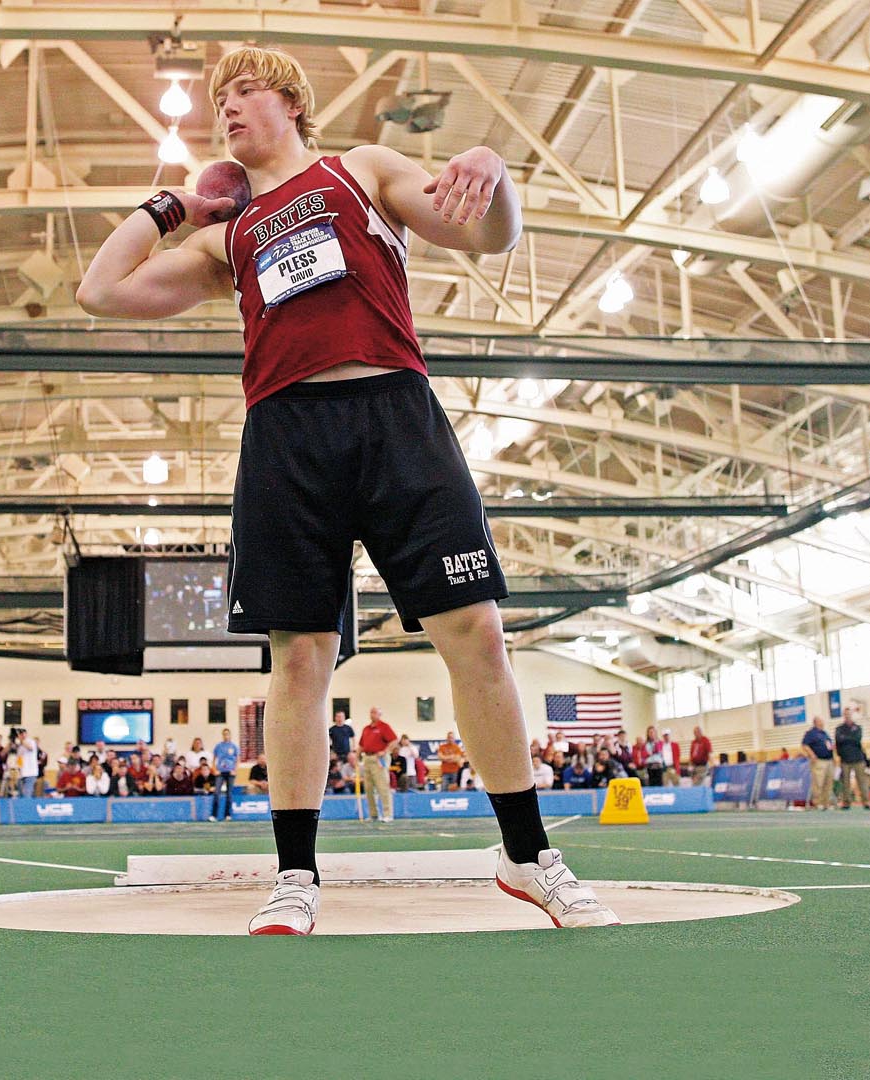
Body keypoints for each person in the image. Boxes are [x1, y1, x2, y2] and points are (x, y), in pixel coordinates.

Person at [78, 44, 613, 935]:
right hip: (286, 436)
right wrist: (177, 204)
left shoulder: (357, 169)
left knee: (476, 632)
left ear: (289, 101)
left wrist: (494, 173)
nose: (229, 109)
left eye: (245, 91)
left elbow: (489, 233)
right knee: (299, 658)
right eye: (220, 99)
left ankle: (527, 855)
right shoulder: (227, 239)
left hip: (394, 415)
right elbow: (100, 292)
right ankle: (295, 877)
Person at [357, 708, 397, 823]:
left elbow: (394, 741)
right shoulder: (366, 729)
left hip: (378, 759)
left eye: (375, 712)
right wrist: (357, 756)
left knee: (382, 786)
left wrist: (385, 751)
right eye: (371, 712)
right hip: (367, 759)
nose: (372, 714)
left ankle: (387, 814)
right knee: (369, 788)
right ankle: (373, 814)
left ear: (380, 714)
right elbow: (361, 745)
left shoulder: (384, 727)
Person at [834, 712, 870, 810]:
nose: (847, 717)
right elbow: (838, 740)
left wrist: (845, 738)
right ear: (844, 716)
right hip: (845, 759)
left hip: (858, 758)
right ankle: (846, 802)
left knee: (862, 781)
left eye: (849, 715)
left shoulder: (858, 728)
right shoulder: (839, 729)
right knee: (845, 782)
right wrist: (849, 739)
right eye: (846, 715)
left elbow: (857, 739)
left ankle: (866, 801)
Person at [801, 716, 835, 811]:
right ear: (816, 722)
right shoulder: (811, 733)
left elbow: (829, 746)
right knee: (818, 783)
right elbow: (805, 745)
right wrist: (812, 755)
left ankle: (826, 803)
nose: (822, 723)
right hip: (819, 761)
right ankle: (817, 803)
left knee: (828, 783)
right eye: (821, 722)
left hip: (829, 761)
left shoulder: (825, 734)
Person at [212, 727, 239, 821]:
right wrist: (214, 769)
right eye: (224, 734)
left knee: (229, 794)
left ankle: (227, 815)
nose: (226, 736)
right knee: (217, 793)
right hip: (220, 771)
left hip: (230, 772)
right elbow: (214, 758)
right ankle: (214, 815)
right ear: (222, 735)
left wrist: (235, 770)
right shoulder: (218, 746)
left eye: (228, 734)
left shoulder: (234, 746)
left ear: (230, 735)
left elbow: (237, 759)